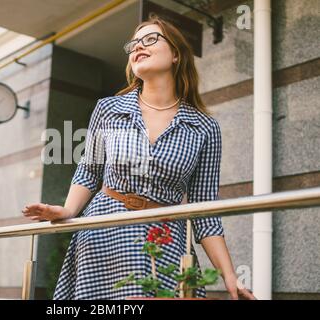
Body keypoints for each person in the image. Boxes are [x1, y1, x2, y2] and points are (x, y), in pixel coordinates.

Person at [22, 15, 256, 300]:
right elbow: (89, 171)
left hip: (167, 240)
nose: (137, 47)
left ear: (176, 55)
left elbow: (204, 210)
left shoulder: (204, 127)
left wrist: (230, 276)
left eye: (150, 39)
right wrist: (69, 211)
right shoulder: (108, 109)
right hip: (105, 234)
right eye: (133, 44)